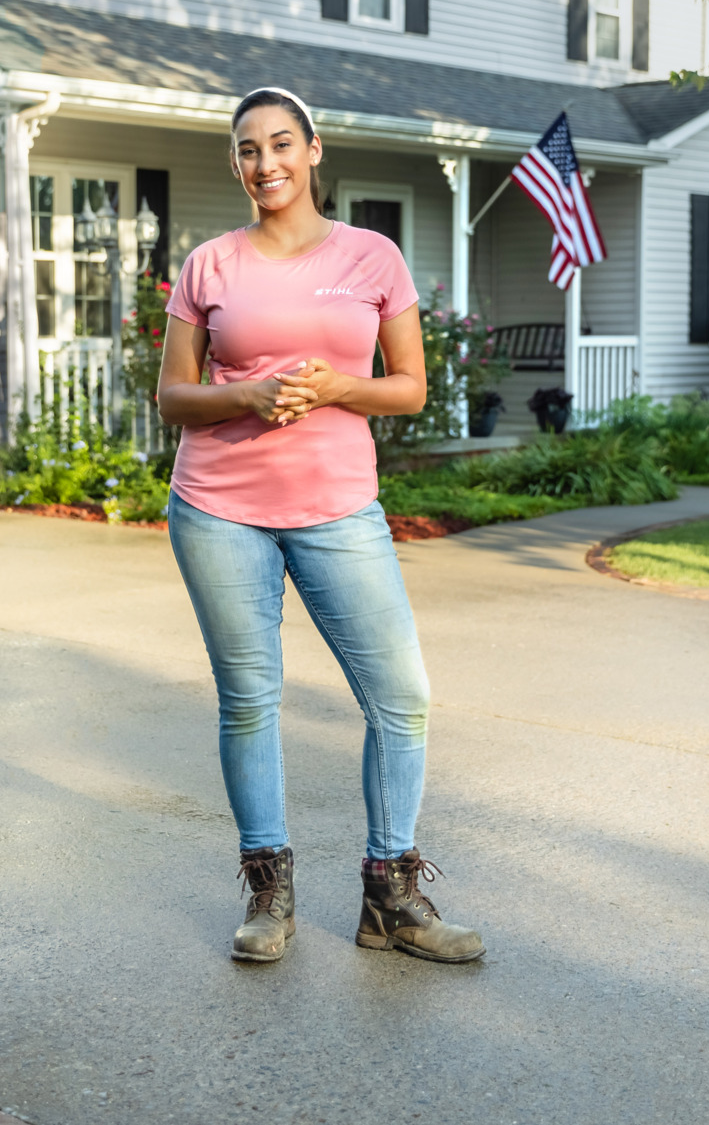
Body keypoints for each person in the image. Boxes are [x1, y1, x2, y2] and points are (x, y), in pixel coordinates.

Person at [156, 87, 484, 965]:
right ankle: (270, 894)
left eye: (280, 145)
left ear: (314, 150)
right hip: (220, 509)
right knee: (250, 699)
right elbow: (173, 396)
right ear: (236, 163)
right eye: (248, 150)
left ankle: (392, 895)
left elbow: (410, 386)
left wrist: (339, 387)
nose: (264, 163)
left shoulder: (372, 257)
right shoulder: (210, 265)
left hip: (340, 508)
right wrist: (245, 394)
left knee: (402, 698)